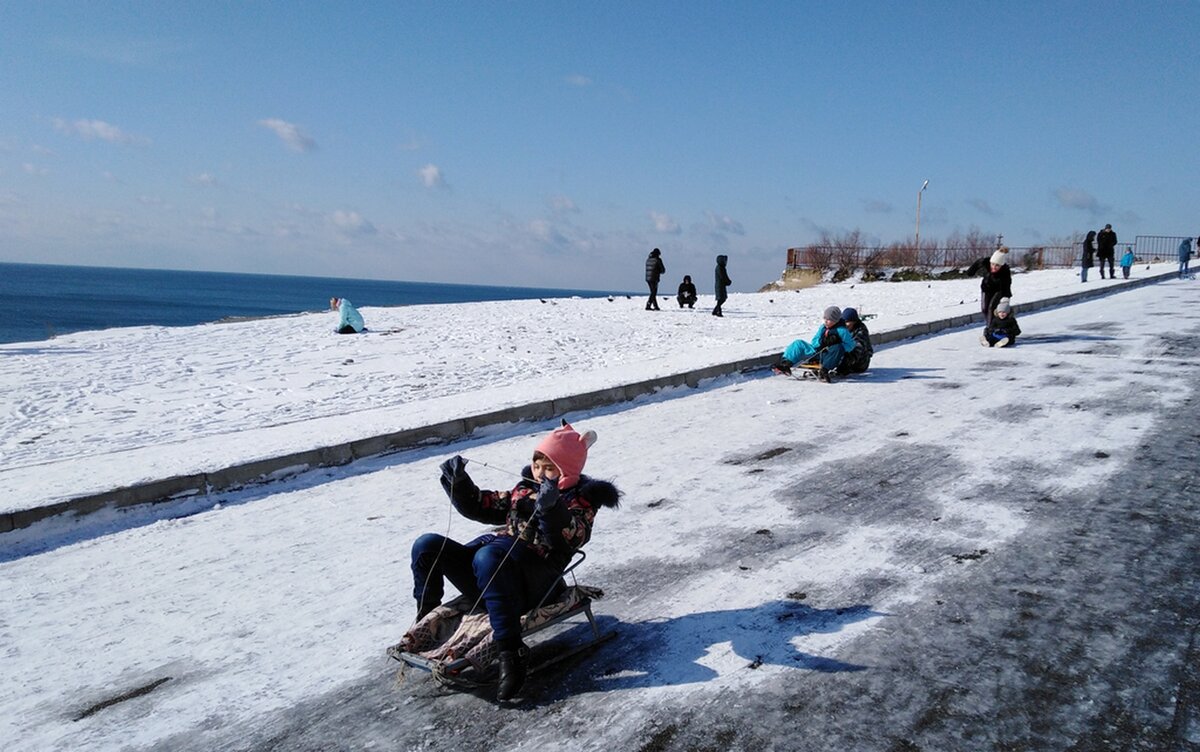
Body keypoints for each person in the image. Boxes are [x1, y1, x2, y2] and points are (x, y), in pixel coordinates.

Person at [410, 422, 620, 701]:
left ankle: (512, 651)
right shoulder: (524, 489)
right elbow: (484, 505)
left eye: (549, 468)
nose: (540, 473)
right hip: (492, 573)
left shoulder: (581, 502)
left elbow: (571, 537)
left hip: (534, 584)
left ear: (567, 470)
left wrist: (552, 508)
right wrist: (459, 483)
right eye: (537, 465)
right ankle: (427, 622)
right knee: (426, 545)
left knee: (487, 556)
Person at [773, 306, 857, 383]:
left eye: (829, 320)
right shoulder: (823, 328)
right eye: (825, 318)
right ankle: (786, 363)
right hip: (817, 351)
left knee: (838, 347)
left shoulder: (842, 331)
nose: (826, 321)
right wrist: (821, 342)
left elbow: (850, 345)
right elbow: (814, 340)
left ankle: (824, 370)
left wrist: (835, 344)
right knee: (798, 343)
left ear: (836, 320)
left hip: (830, 354)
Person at [980, 248, 1012, 328]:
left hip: (998, 290)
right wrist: (970, 271)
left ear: (1001, 266)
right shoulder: (986, 265)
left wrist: (1006, 296)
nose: (994, 267)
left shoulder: (1005, 271)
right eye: (992, 264)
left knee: (992, 308)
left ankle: (990, 328)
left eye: (997, 265)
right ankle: (994, 325)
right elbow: (978, 263)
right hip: (986, 289)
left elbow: (1007, 284)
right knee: (984, 309)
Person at [835, 307, 873, 376]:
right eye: (844, 322)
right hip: (847, 356)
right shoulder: (842, 328)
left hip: (861, 362)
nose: (846, 324)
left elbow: (858, 348)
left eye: (848, 322)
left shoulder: (861, 330)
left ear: (854, 322)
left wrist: (846, 363)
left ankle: (845, 366)